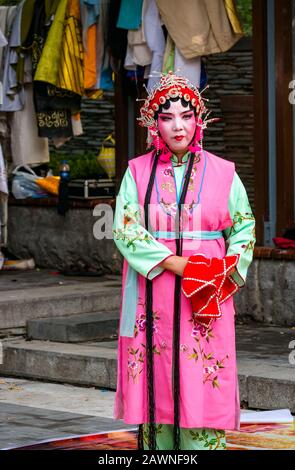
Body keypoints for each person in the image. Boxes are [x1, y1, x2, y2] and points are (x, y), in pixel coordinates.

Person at [112, 72, 256, 451]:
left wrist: (223, 271)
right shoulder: (137, 171)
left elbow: (244, 228)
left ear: (199, 119)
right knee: (156, 372)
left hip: (208, 289)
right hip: (153, 287)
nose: (178, 125)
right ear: (152, 123)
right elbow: (126, 229)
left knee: (201, 370)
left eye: (186, 115)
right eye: (167, 116)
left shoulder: (225, 173)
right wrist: (179, 265)